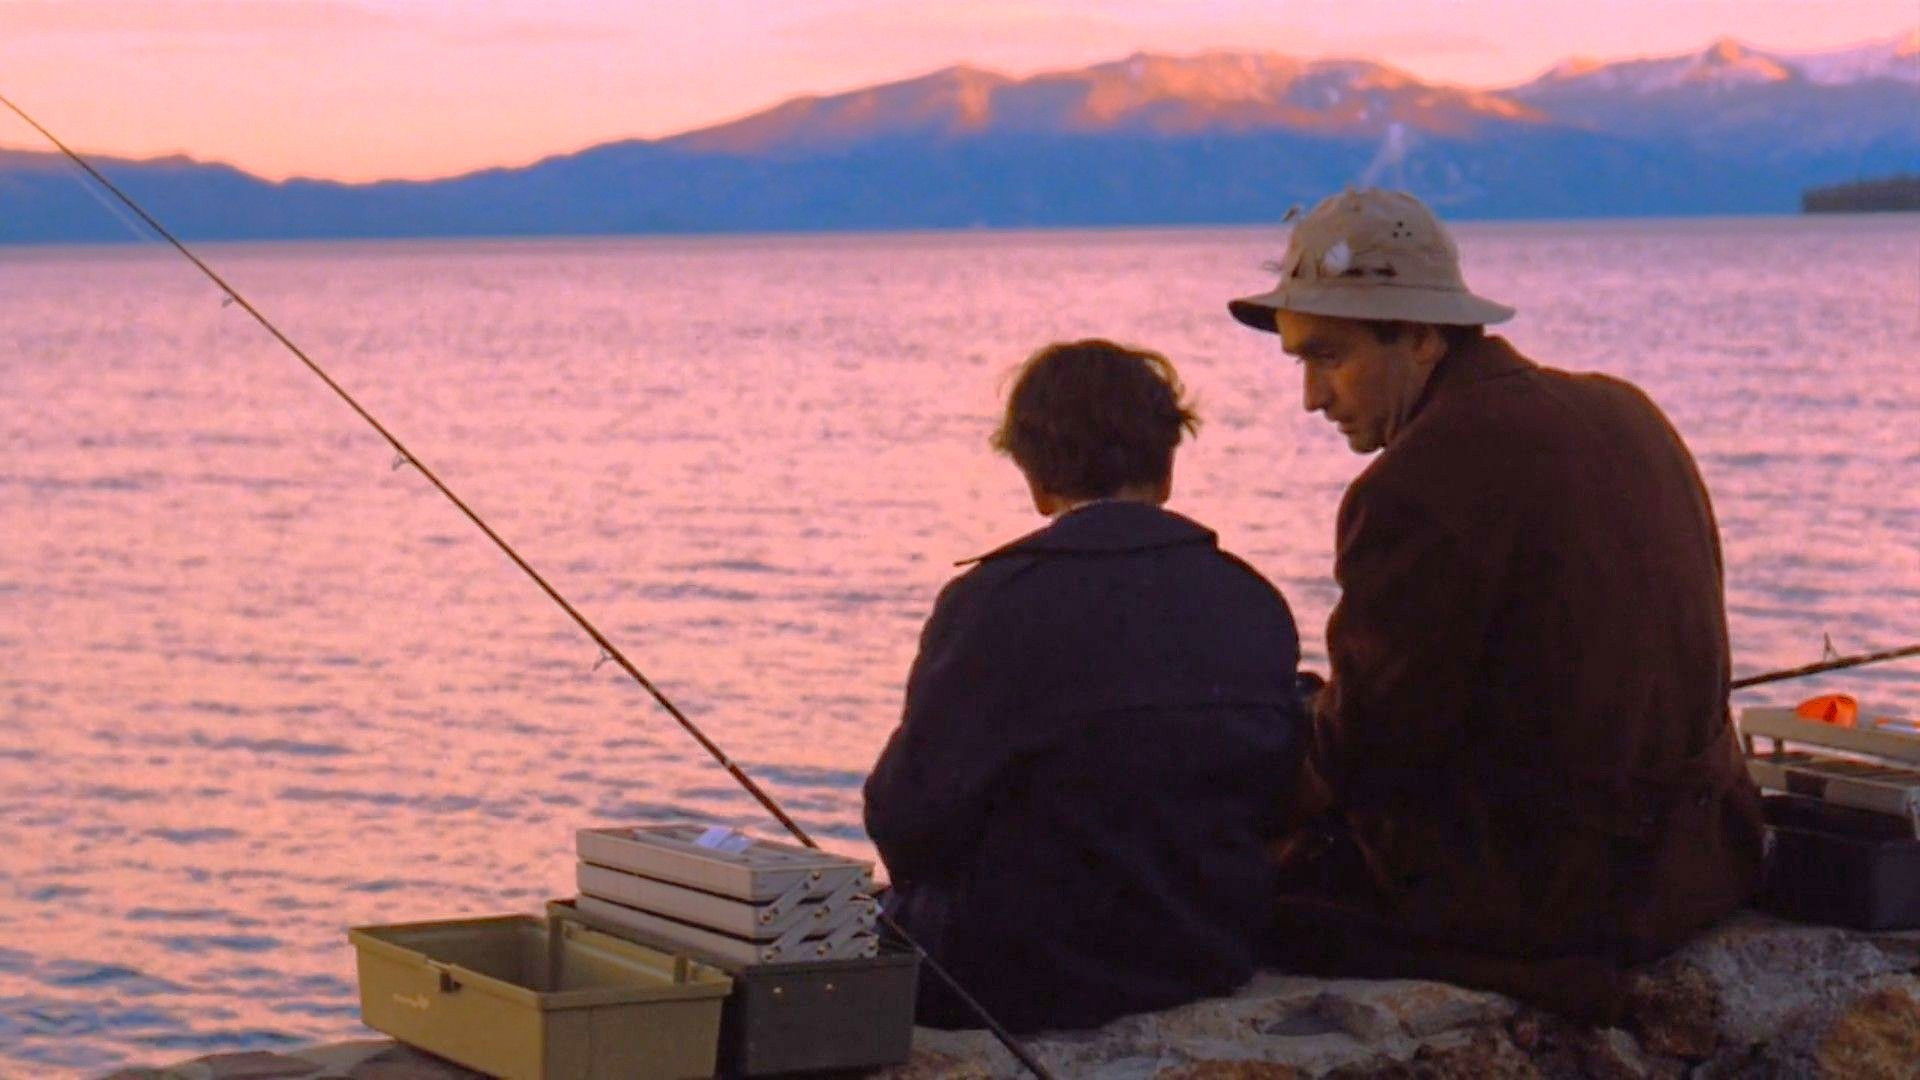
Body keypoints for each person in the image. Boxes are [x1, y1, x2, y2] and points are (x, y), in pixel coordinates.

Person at [1226, 189, 1764, 1022]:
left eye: (1328, 357)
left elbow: (1371, 752)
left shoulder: (1416, 483)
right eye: (1300, 361)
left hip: (1565, 900)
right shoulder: (1627, 408)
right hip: (1706, 860)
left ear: (1422, 335)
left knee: (1220, 888)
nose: (1311, 396)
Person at [863, 339, 1305, 1034]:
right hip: (1206, 951)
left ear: (1035, 477)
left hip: (1021, 968)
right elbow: (1274, 790)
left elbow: (907, 820)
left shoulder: (993, 602)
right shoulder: (1250, 598)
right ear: (1166, 467)